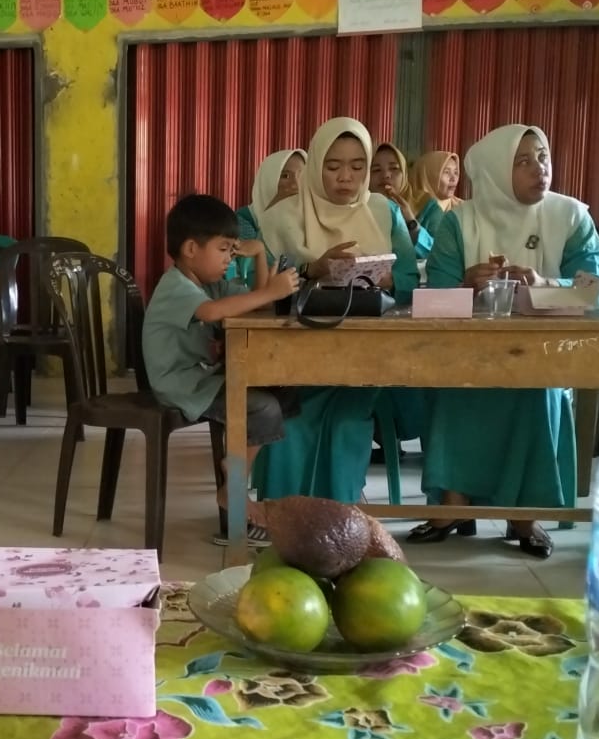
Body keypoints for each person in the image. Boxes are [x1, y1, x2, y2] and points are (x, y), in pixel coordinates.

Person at [414, 124, 599, 558]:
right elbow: (430, 298)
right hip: (470, 349)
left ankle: (524, 515)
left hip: (545, 350)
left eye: (543, 157)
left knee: (537, 389)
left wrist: (545, 282)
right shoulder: (459, 221)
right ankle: (454, 504)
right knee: (456, 385)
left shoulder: (570, 216)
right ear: (496, 174)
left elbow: (596, 289)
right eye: (522, 162)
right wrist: (466, 283)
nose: (540, 169)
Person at [251, 118, 421, 505]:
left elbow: (409, 277)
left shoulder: (382, 211)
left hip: (367, 354)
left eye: (358, 166)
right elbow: (256, 285)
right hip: (295, 351)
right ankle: (285, 514)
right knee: (288, 417)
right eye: (333, 166)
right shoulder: (282, 218)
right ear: (315, 168)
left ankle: (339, 511)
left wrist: (383, 279)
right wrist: (315, 269)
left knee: (347, 418)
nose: (346, 177)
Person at [143, 193, 299, 546]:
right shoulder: (176, 286)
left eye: (233, 249)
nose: (231, 258)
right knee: (263, 406)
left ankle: (234, 477)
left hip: (203, 378)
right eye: (225, 249)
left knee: (283, 389)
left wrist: (259, 255)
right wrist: (271, 290)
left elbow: (255, 303)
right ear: (191, 249)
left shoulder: (208, 283)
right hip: (180, 384)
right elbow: (213, 313)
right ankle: (235, 486)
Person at [231, 149, 306, 280]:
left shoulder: (311, 221)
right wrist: (272, 216)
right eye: (285, 176)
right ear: (268, 180)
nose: (295, 185)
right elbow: (251, 276)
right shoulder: (242, 222)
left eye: (303, 176)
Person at [370, 142, 433, 257]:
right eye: (376, 170)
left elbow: (441, 254)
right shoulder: (359, 207)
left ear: (404, 173)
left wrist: (410, 222)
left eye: (394, 168)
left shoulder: (427, 204)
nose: (386, 175)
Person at [411, 150, 464, 238]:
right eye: (446, 172)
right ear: (428, 176)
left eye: (456, 172)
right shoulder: (408, 207)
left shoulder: (463, 209)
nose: (453, 178)